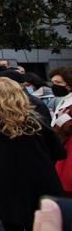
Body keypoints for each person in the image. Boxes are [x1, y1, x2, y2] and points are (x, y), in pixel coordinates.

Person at [0, 78, 65, 231]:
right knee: (36, 228)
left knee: (12, 230)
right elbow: (58, 151)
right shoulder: (35, 116)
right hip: (39, 180)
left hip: (6, 180)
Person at [51, 66, 72, 195]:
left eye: (58, 83)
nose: (55, 86)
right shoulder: (63, 100)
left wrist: (62, 119)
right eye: (53, 83)